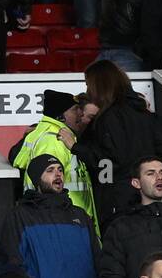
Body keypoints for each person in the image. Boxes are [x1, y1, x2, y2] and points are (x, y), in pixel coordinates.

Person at [74, 59, 162, 229]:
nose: (88, 91)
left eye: (89, 85)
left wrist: (76, 148)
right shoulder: (151, 117)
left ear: (100, 86)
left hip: (120, 209)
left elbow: (109, 165)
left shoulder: (108, 119)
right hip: (157, 208)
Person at [0, 153, 103, 278]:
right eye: (50, 170)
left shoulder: (80, 215)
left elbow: (98, 261)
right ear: (37, 178)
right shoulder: (19, 216)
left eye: (60, 170)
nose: (58, 174)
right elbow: (14, 265)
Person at [10, 89, 99, 227]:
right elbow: (48, 189)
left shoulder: (56, 136)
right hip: (64, 221)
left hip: (67, 219)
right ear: (60, 117)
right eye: (75, 109)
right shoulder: (55, 141)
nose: (80, 114)